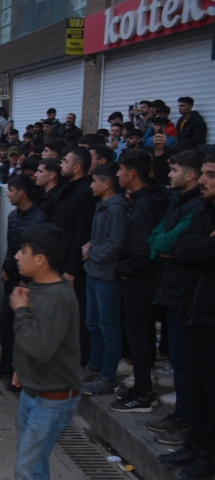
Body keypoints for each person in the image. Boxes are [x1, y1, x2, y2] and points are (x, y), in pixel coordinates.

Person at [10, 223, 83, 479]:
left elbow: (41, 348)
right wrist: (21, 367)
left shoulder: (56, 298)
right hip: (35, 391)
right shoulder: (38, 288)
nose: (17, 256)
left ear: (41, 259)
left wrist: (20, 310)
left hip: (52, 399)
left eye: (23, 251)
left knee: (26, 468)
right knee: (35, 463)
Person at [159, 155, 215, 477]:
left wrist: (196, 249)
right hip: (192, 310)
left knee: (210, 388)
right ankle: (194, 445)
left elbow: (191, 250)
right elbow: (180, 248)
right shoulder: (204, 212)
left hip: (210, 317)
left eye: (210, 175)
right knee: (195, 383)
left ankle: (208, 454)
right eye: (204, 173)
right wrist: (199, 247)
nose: (203, 181)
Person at [144, 150, 206, 444]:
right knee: (180, 360)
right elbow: (157, 238)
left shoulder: (196, 207)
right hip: (172, 290)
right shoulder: (179, 202)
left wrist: (167, 245)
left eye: (174, 169)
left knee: (186, 365)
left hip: (187, 295)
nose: (169, 174)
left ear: (189, 175)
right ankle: (183, 416)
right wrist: (163, 245)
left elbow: (174, 242)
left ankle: (189, 422)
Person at [110, 150, 175, 413]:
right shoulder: (156, 196)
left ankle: (142, 394)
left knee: (137, 333)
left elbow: (141, 249)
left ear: (131, 173)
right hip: (150, 278)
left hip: (139, 280)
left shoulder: (144, 206)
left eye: (120, 170)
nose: (117, 175)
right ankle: (141, 386)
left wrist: (124, 268)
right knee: (143, 332)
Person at [0, 175, 48, 386]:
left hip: (27, 284)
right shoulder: (13, 216)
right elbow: (12, 248)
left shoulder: (39, 219)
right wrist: (6, 269)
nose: (8, 194)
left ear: (21, 192)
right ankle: (6, 365)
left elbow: (38, 254)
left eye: (11, 191)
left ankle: (23, 373)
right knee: (5, 323)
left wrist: (28, 280)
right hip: (11, 279)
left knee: (24, 328)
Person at [80, 163, 129, 396]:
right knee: (93, 323)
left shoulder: (116, 209)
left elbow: (114, 245)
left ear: (106, 184)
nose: (91, 185)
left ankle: (107, 376)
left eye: (94, 181)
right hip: (93, 273)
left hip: (107, 277)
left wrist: (92, 252)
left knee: (108, 327)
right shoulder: (102, 206)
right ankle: (94, 366)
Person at [54, 147, 96, 367]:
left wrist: (71, 269)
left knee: (78, 315)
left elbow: (81, 233)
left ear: (77, 167)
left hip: (73, 267)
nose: (61, 165)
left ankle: (80, 360)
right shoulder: (67, 189)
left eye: (65, 161)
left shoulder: (85, 193)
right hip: (59, 262)